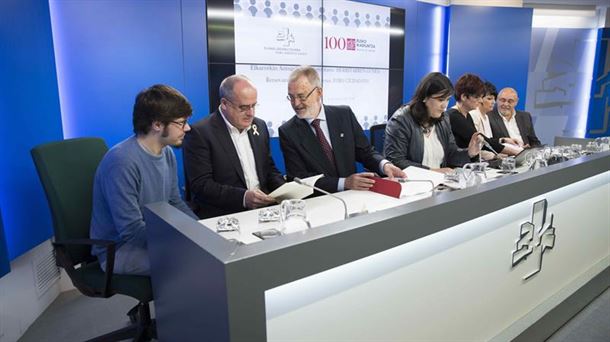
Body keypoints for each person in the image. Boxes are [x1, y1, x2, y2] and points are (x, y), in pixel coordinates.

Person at [90, 84, 198, 276]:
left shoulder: (166, 153)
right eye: (181, 123)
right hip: (119, 250)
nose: (187, 128)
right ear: (157, 125)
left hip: (151, 237)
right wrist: (183, 240)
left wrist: (201, 231)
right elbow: (131, 231)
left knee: (204, 254)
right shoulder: (121, 162)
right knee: (194, 262)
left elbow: (174, 201)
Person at [279, 65, 405, 194]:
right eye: (291, 97)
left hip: (354, 197)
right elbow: (300, 179)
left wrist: (384, 165)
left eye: (301, 96)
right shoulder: (288, 132)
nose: (296, 103)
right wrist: (344, 183)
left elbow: (365, 152)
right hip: (320, 201)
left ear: (319, 92)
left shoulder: (343, 114)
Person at [183, 75, 285, 219]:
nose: (251, 113)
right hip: (224, 216)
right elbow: (202, 185)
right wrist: (243, 198)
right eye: (243, 107)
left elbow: (268, 169)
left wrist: (286, 191)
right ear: (224, 103)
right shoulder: (200, 133)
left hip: (265, 212)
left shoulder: (260, 126)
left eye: (254, 105)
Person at [384, 72, 482, 173]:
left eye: (447, 100)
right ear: (425, 97)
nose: (444, 105)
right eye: (440, 100)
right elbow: (396, 161)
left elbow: (451, 153)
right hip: (412, 184)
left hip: (439, 183)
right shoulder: (401, 120)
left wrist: (469, 153)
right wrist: (433, 171)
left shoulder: (443, 119)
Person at [448, 74, 510, 160]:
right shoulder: (454, 116)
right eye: (477, 97)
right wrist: (515, 151)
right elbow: (481, 140)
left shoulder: (467, 115)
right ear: (464, 97)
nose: (480, 101)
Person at [469, 81, 522, 157]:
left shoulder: (486, 117)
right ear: (480, 99)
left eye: (494, 99)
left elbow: (490, 141)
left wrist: (503, 140)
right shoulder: (473, 115)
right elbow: (479, 145)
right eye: (489, 99)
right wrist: (496, 155)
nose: (493, 102)